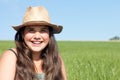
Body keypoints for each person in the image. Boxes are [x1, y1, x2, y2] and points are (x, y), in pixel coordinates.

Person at [0, 6, 67, 80]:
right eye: (31, 30)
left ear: (49, 34)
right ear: (23, 34)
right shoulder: (12, 56)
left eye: (43, 30)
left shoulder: (56, 58)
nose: (37, 36)